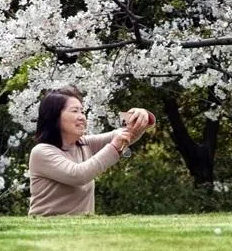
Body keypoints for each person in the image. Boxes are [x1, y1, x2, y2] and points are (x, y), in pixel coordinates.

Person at [28, 85, 155, 216]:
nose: (81, 117)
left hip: (82, 232)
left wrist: (141, 116)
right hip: (47, 230)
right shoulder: (41, 152)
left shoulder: (84, 143)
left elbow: (126, 135)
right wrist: (114, 148)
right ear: (54, 117)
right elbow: (77, 175)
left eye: (82, 111)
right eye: (74, 111)